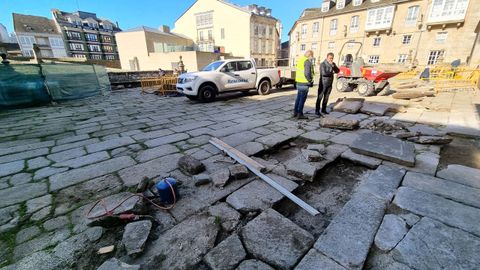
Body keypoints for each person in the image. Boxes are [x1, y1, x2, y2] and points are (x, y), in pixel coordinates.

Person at [294, 50, 314, 120]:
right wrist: (310, 81)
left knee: (298, 98)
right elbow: (307, 73)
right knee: (302, 99)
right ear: (310, 55)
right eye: (312, 56)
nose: (312, 58)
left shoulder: (300, 60)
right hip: (304, 83)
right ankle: (300, 114)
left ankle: (295, 112)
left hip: (298, 83)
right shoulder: (307, 62)